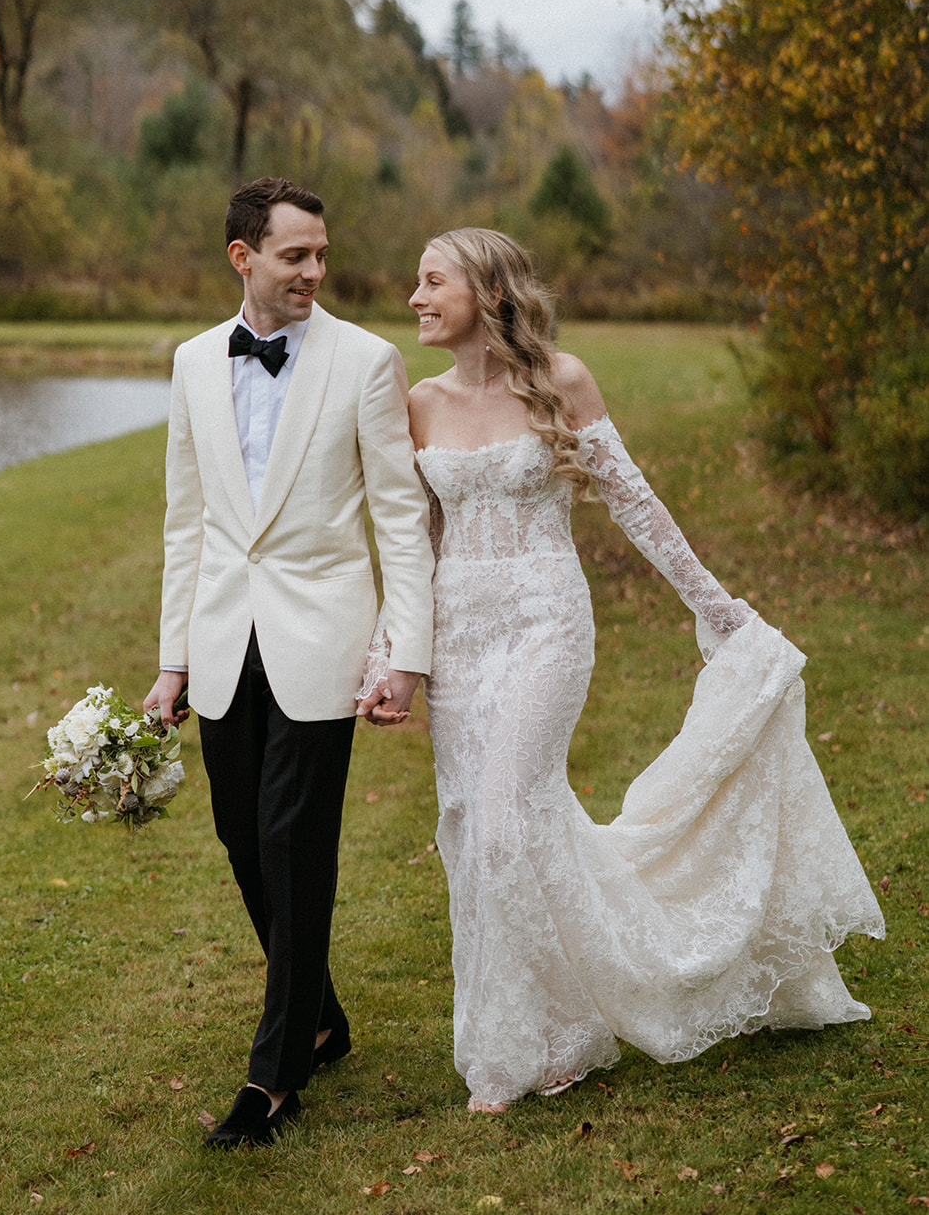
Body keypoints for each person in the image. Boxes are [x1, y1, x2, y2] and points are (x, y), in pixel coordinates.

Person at [357, 226, 884, 1113]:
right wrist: (386, 656)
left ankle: (553, 1040)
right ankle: (522, 1034)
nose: (413, 297)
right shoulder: (419, 402)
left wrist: (714, 605)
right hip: (457, 640)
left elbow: (635, 502)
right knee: (467, 829)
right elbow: (417, 546)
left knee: (502, 819)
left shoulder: (560, 381)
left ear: (486, 294)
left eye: (430, 281)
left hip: (544, 626)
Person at [145, 177, 434, 1147]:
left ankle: (271, 1078)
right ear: (244, 258)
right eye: (294, 255)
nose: (315, 271)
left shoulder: (366, 360)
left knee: (291, 841)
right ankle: (319, 1013)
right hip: (224, 638)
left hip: (324, 635)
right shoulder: (192, 363)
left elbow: (397, 515)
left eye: (320, 254)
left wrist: (404, 652)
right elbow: (185, 519)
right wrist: (172, 659)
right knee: (239, 833)